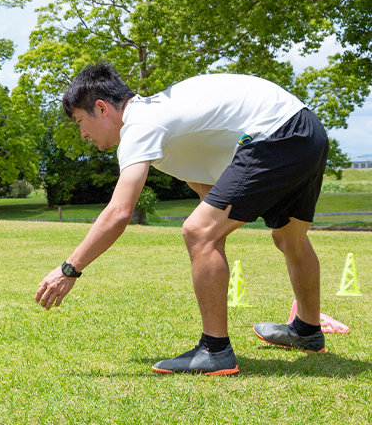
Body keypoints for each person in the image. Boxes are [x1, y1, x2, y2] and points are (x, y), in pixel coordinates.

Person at [35, 62, 329, 375]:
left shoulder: (140, 124)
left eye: (81, 121)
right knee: (288, 237)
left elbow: (119, 212)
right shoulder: (163, 118)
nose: (82, 134)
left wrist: (70, 269)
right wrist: (214, 236)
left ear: (101, 108)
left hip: (277, 134)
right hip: (307, 131)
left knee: (198, 231)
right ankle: (307, 331)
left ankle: (214, 351)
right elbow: (205, 186)